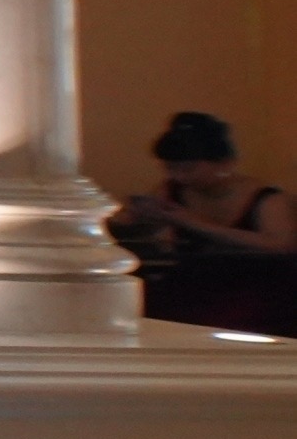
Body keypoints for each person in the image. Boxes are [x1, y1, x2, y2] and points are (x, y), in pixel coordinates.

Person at [113, 112, 297, 335]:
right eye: (171, 168)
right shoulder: (173, 190)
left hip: (256, 283)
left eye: (188, 169)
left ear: (224, 164)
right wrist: (140, 217)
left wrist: (195, 223)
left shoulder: (268, 199)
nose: (179, 176)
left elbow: (282, 246)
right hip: (194, 279)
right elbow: (150, 233)